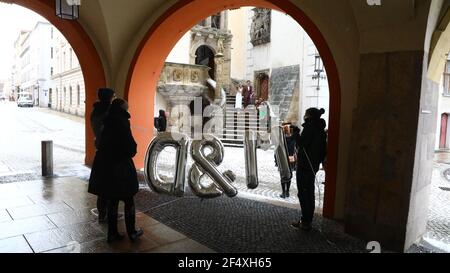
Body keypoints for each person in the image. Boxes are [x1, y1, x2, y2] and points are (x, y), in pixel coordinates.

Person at [89, 98, 143, 243]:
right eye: (127, 107)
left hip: (107, 167)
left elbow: (99, 143)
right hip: (121, 168)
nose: (128, 109)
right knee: (129, 200)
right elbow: (130, 147)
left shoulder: (106, 121)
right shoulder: (122, 121)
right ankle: (132, 232)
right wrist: (132, 149)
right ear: (122, 108)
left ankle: (112, 234)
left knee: (112, 200)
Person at [291, 108, 327, 231]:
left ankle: (305, 221)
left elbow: (301, 143)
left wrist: (295, 133)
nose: (304, 116)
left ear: (309, 116)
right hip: (313, 166)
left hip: (304, 166)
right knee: (309, 192)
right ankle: (307, 219)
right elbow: (323, 151)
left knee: (303, 193)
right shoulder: (321, 130)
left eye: (305, 114)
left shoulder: (310, 127)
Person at [89, 88, 115, 223]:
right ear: (109, 97)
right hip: (110, 153)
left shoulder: (95, 111)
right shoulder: (110, 112)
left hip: (100, 152)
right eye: (113, 96)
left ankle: (101, 214)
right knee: (111, 187)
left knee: (102, 188)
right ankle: (110, 215)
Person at [278, 123, 297, 199]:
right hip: (291, 159)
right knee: (289, 175)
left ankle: (283, 192)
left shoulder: (281, 140)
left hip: (283, 159)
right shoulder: (293, 138)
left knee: (283, 175)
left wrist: (276, 161)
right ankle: (287, 191)